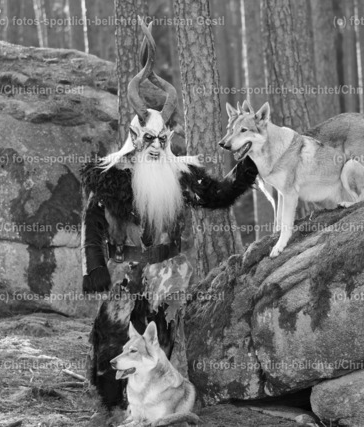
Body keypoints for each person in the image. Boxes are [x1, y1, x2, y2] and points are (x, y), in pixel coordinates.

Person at [80, 19, 258, 410]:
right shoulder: (111, 177)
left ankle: (155, 407)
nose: (157, 146)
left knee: (159, 342)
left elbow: (216, 195)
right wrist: (93, 266)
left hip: (167, 279)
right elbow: (92, 225)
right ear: (135, 137)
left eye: (163, 139)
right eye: (150, 139)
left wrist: (246, 170)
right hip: (124, 277)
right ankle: (113, 409)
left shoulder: (179, 174)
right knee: (114, 345)